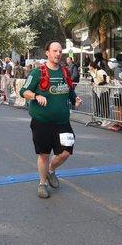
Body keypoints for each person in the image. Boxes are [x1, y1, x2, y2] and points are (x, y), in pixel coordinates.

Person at [19, 40, 82, 199]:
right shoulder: (37, 73)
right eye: (54, 51)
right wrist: (36, 96)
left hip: (62, 122)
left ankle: (50, 170)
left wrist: (75, 99)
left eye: (60, 51)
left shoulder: (65, 72)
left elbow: (69, 91)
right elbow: (23, 91)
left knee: (66, 152)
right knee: (44, 155)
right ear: (47, 53)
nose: (58, 54)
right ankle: (42, 183)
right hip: (42, 122)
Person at [108, 55, 122, 132]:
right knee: (118, 107)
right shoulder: (120, 68)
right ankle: (118, 123)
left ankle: (120, 124)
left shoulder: (118, 69)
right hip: (119, 91)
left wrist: (118, 82)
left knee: (119, 108)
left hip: (119, 91)